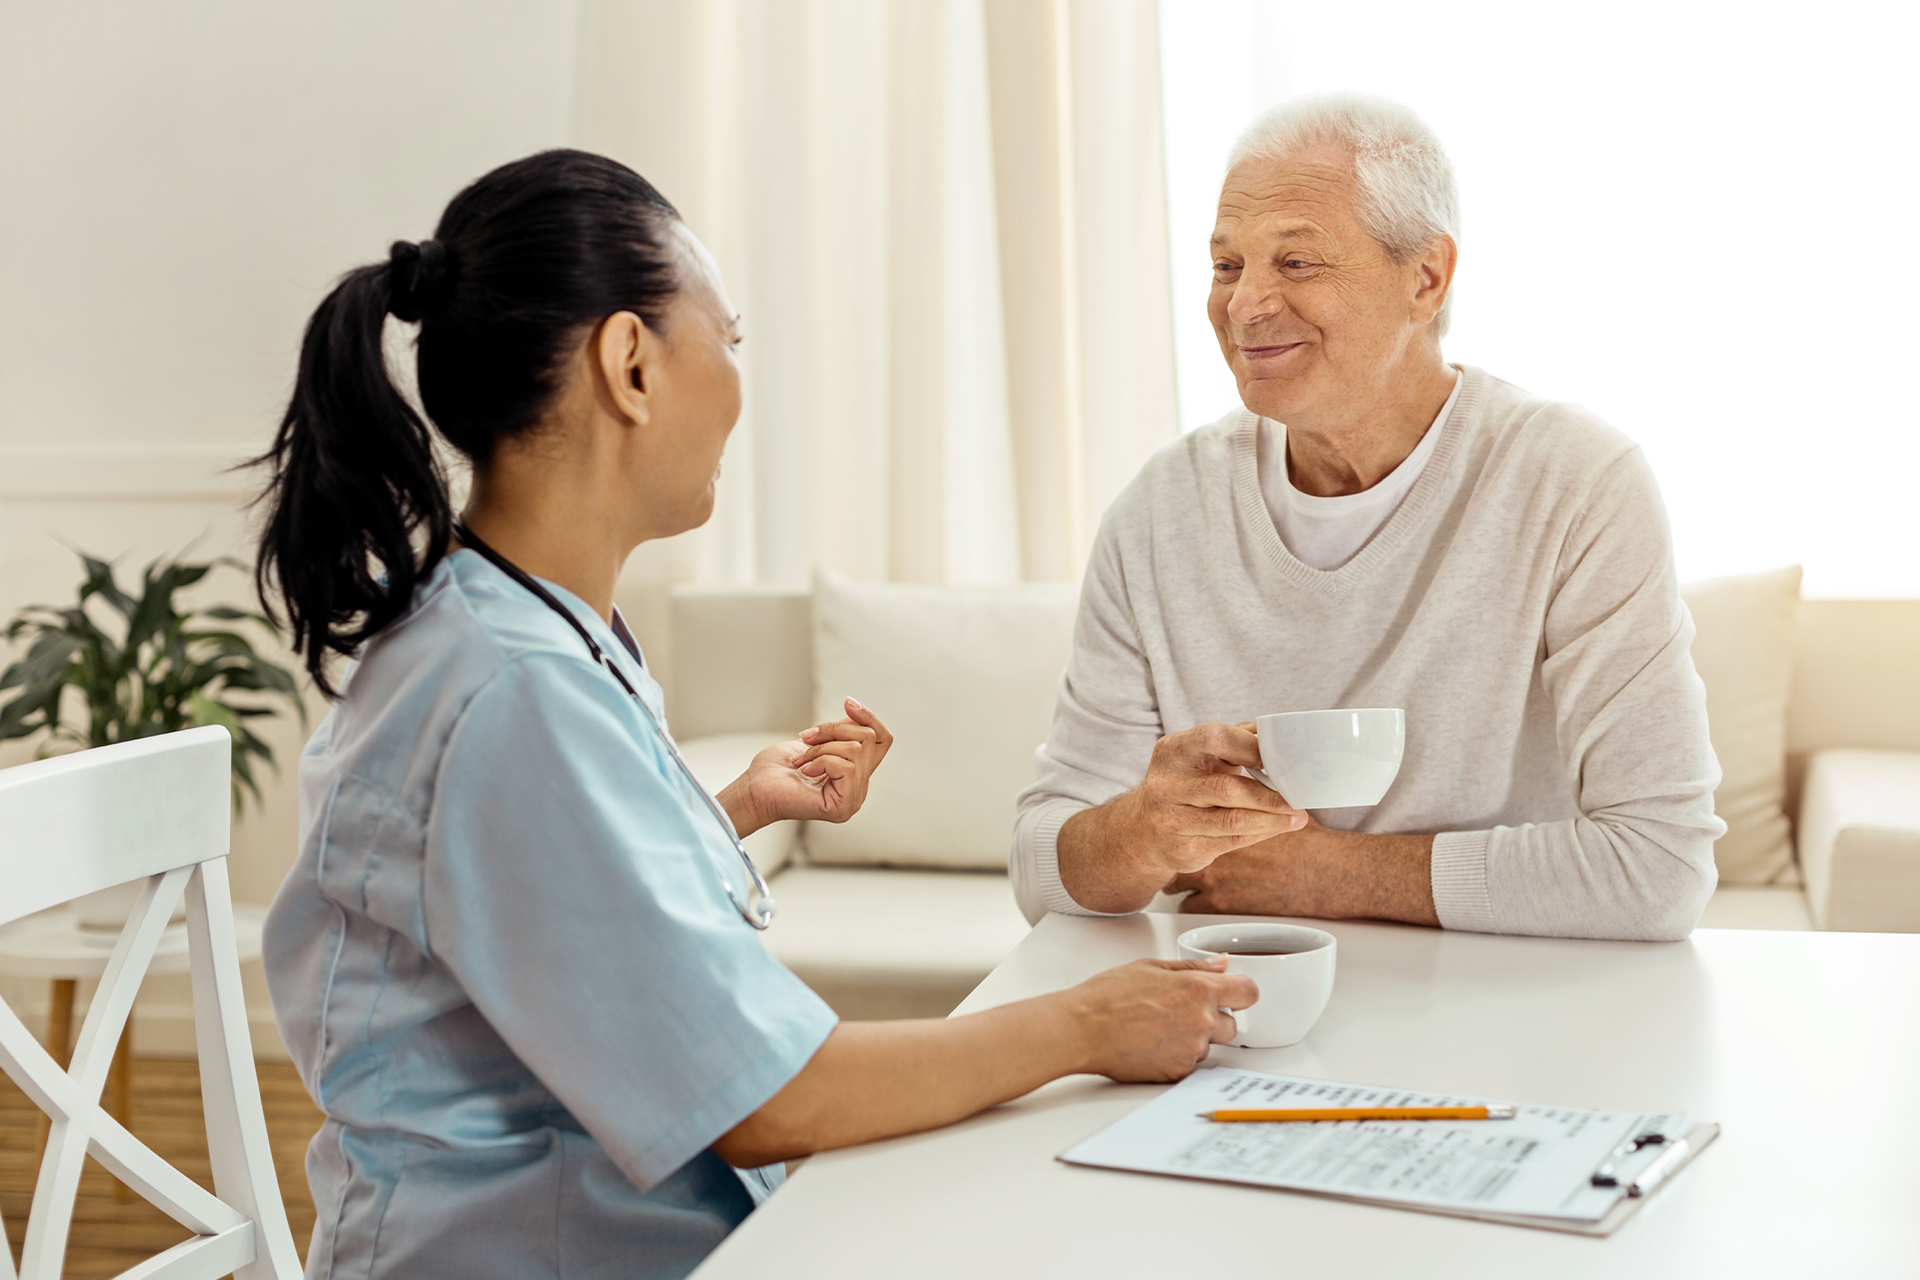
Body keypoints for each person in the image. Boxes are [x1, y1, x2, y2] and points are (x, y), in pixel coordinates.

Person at [255, 150, 1255, 1280]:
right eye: (727, 340)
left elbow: (539, 897)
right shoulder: (513, 685)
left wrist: (723, 810)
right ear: (629, 364)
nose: (738, 382)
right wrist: (1085, 1024)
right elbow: (767, 1097)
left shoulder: (515, 628)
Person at [1011, 93, 1724, 942]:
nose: (1244, 307)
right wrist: (1141, 831)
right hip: (1240, 1008)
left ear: (1425, 278)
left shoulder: (1575, 483)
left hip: (1512, 1001)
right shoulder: (1161, 511)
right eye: (1228, 265)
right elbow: (1039, 867)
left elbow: (1660, 870)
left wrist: (1329, 875)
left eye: (1297, 264)